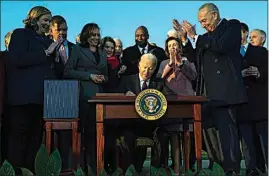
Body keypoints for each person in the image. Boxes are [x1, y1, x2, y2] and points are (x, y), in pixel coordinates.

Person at [174, 3, 247, 174]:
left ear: (215, 15)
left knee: (227, 133)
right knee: (206, 131)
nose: (203, 25)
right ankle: (217, 165)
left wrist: (195, 36)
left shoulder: (232, 26)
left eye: (204, 20)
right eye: (200, 22)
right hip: (205, 92)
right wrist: (185, 39)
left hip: (225, 92)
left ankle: (231, 169)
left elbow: (220, 46)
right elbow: (195, 58)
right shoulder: (205, 38)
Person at [6, 6, 60, 171]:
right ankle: (12, 172)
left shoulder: (48, 41)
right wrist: (45, 53)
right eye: (45, 20)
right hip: (22, 99)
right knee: (18, 139)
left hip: (41, 99)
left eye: (50, 21)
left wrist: (57, 59)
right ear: (34, 19)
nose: (48, 24)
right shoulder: (20, 35)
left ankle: (29, 172)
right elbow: (17, 59)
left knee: (35, 139)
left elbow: (54, 71)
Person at [64, 23, 108, 173]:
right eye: (93, 35)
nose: (96, 38)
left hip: (100, 98)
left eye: (97, 35)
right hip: (83, 97)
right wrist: (89, 76)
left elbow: (106, 75)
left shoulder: (102, 53)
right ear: (86, 36)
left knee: (97, 134)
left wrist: (103, 78)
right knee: (83, 134)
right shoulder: (77, 50)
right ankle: (81, 168)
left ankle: (96, 168)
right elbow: (68, 71)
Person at [117, 53, 171, 173]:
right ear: (139, 65)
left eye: (151, 68)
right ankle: (129, 171)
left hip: (151, 125)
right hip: (131, 125)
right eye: (144, 67)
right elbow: (116, 99)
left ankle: (158, 170)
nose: (146, 71)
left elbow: (165, 99)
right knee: (126, 138)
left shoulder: (159, 83)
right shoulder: (127, 80)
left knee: (163, 135)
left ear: (155, 69)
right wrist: (124, 95)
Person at [157, 37, 196, 175]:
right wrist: (170, 65)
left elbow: (193, 75)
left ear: (179, 47)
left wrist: (180, 63)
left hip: (187, 101)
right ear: (167, 49)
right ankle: (177, 168)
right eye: (170, 46)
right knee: (174, 134)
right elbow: (159, 79)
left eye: (175, 45)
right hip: (170, 102)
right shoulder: (163, 63)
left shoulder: (186, 61)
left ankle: (187, 167)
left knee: (187, 134)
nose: (173, 47)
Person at [237, 22, 268, 175]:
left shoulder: (261, 52)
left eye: (240, 33)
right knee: (247, 141)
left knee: (264, 141)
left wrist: (259, 72)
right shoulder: (231, 53)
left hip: (260, 104)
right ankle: (251, 170)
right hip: (241, 104)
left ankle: (265, 168)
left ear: (245, 33)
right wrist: (239, 75)